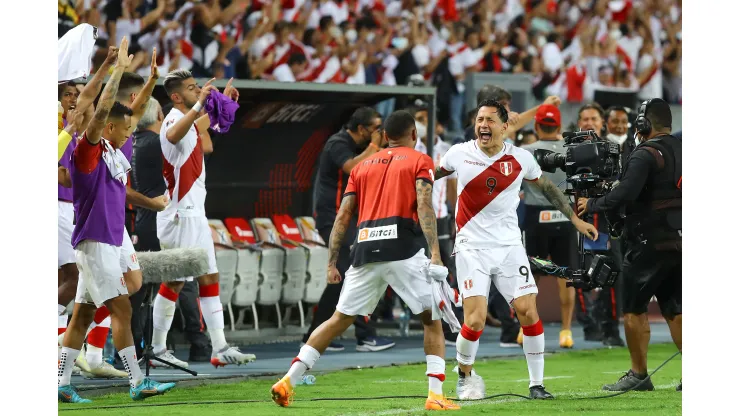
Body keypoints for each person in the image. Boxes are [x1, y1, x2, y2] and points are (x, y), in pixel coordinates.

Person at [271, 111, 460, 411]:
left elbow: (343, 216)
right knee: (431, 319)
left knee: (338, 320)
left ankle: (288, 381)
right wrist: (435, 254)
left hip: (364, 248)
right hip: (403, 248)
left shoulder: (361, 167)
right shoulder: (419, 160)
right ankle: (435, 395)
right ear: (414, 136)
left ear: (384, 136)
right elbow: (424, 205)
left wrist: (332, 262)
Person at [436, 99, 598, 400]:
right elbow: (429, 175)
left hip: (510, 246)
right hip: (472, 247)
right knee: (475, 320)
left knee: (528, 310)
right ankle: (464, 374)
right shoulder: (459, 153)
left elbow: (547, 187)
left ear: (504, 126)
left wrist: (574, 219)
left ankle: (537, 384)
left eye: (489, 120)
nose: (483, 125)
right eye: (479, 120)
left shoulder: (521, 158)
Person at [58, 37, 175, 403]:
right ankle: (137, 382)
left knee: (81, 317)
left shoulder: (116, 143)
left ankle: (60, 385)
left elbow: (132, 112)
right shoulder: (87, 152)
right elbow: (105, 107)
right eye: (124, 130)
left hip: (110, 239)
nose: (131, 133)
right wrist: (116, 69)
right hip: (95, 242)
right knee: (121, 309)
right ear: (106, 128)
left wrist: (152, 81)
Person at [577, 98, 682, 392]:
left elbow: (625, 193)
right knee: (675, 307)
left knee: (634, 308)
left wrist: (592, 203)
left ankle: (639, 374)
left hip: (648, 241)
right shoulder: (684, 149)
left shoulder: (644, 153)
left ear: (643, 124)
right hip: (679, 239)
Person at [153, 69, 255, 368]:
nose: (197, 90)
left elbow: (206, 126)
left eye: (197, 86)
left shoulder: (189, 122)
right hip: (180, 215)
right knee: (174, 283)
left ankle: (220, 347)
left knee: (209, 278)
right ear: (175, 96)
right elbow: (173, 134)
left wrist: (222, 100)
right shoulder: (172, 119)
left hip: (195, 214)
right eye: (190, 88)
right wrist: (201, 105)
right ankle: (158, 349)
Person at [304, 107, 395, 352]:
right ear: (362, 129)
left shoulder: (363, 146)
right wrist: (374, 147)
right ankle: (366, 335)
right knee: (359, 270)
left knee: (341, 277)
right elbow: (352, 168)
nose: (379, 132)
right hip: (331, 218)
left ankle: (314, 334)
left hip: (350, 218)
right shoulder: (338, 142)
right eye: (375, 128)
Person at [130, 98, 212, 363]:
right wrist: (206, 108)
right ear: (161, 115)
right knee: (177, 281)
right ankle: (189, 343)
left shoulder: (137, 141)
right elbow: (206, 144)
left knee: (142, 288)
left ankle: (141, 349)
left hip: (146, 220)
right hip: (163, 217)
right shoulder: (159, 141)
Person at [521, 104, 578, 349]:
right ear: (559, 126)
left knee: (530, 275)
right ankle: (566, 330)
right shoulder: (572, 150)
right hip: (566, 216)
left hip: (536, 216)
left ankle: (526, 329)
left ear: (536, 126)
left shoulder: (525, 151)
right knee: (566, 275)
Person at [572, 103, 608, 341]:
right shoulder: (570, 151)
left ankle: (607, 322)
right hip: (578, 219)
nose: (588, 123)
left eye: (593, 118)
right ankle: (589, 325)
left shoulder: (613, 150)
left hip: (607, 219)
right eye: (584, 119)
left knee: (607, 271)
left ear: (601, 122)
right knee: (582, 273)